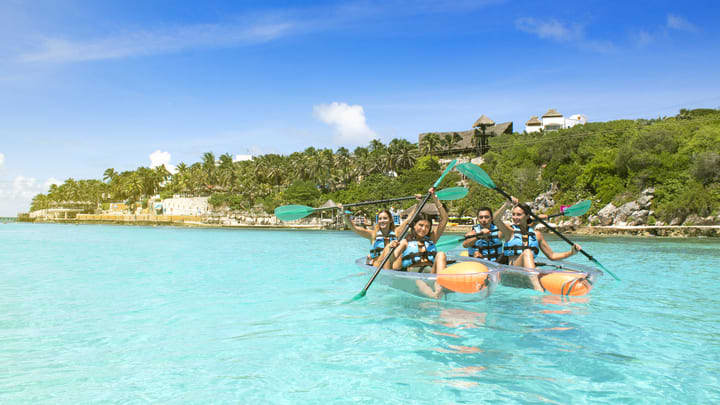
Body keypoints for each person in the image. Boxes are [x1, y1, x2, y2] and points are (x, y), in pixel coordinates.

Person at [493, 196, 581, 291]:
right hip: (512, 272)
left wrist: (571, 252)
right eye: (513, 214)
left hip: (528, 271)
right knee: (527, 252)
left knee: (540, 270)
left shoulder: (537, 235)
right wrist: (506, 205)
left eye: (519, 215)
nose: (515, 217)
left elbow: (552, 256)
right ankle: (537, 289)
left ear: (527, 216)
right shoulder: (510, 231)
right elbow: (496, 220)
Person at [388, 188, 449, 298]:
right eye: (421, 225)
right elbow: (392, 260)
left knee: (441, 254)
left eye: (427, 226)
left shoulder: (431, 239)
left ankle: (440, 286)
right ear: (414, 226)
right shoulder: (405, 242)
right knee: (418, 280)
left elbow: (444, 219)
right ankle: (435, 297)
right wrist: (390, 248)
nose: (424, 229)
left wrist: (435, 198)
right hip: (414, 276)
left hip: (431, 274)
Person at [338, 198, 417, 269]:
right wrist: (343, 214)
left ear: (390, 220)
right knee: (388, 248)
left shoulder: (396, 232)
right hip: (378, 266)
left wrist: (419, 202)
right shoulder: (373, 234)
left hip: (393, 266)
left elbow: (409, 220)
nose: (382, 221)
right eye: (380, 219)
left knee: (403, 242)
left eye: (385, 218)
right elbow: (354, 228)